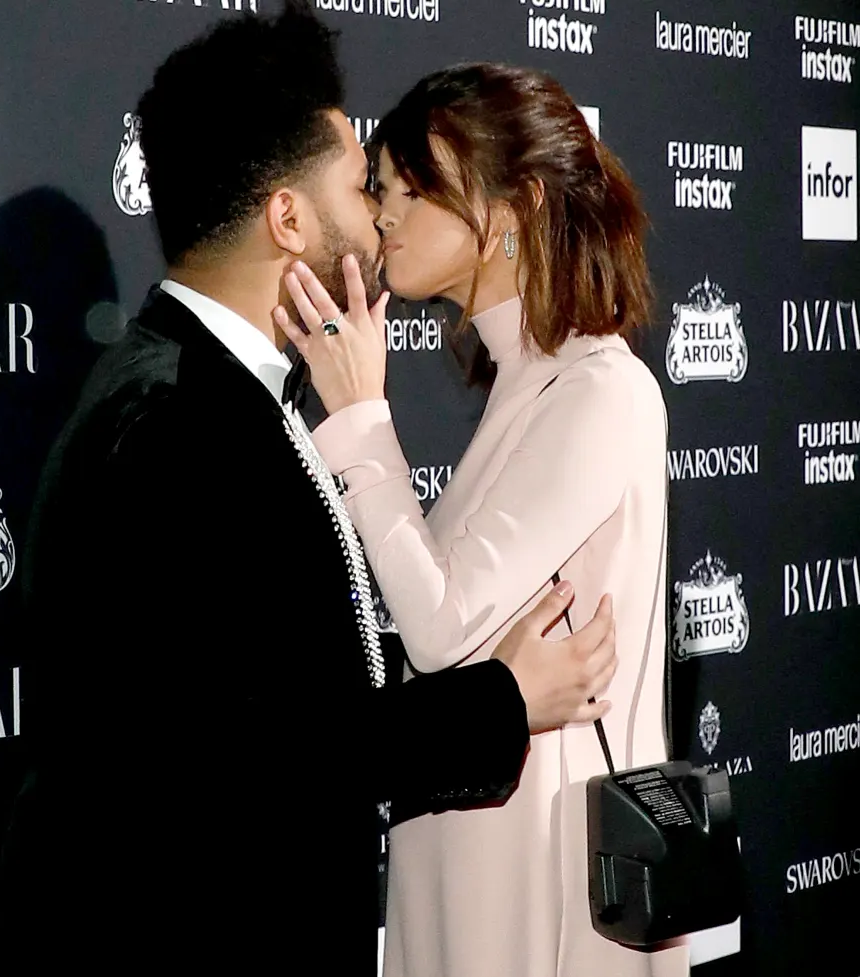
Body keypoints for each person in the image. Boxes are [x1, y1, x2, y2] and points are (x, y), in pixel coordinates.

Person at [0, 9, 621, 975]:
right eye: (358, 184)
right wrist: (504, 699)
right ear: (288, 219)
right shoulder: (174, 423)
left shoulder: (215, 389)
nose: (378, 211)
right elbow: (258, 757)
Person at [276, 64, 689, 977]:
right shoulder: (530, 385)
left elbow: (439, 625)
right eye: (380, 185)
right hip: (474, 838)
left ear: (509, 210)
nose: (383, 213)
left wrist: (360, 423)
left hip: (538, 870)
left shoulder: (602, 389)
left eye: (412, 189)